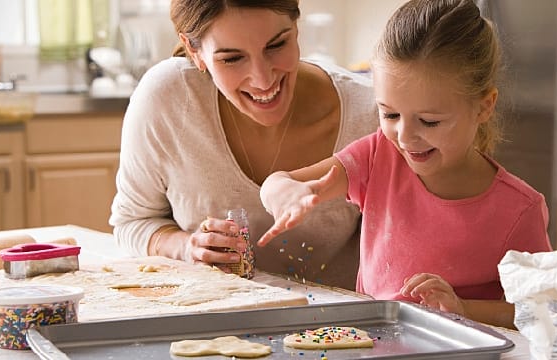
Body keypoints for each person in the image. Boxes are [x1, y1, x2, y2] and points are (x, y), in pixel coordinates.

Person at [257, 0, 552, 329]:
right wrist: (285, 193)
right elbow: (279, 181)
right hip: (372, 345)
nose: (405, 136)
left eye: (429, 121)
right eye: (390, 114)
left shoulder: (519, 209)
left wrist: (462, 308)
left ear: (484, 107)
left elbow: (543, 311)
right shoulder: (379, 156)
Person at [108, 0, 378, 289]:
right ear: (194, 51)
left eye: (276, 45)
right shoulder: (167, 98)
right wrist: (189, 248)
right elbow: (132, 223)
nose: (263, 80)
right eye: (232, 59)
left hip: (343, 329)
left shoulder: (371, 114)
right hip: (211, 322)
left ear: (296, 27)